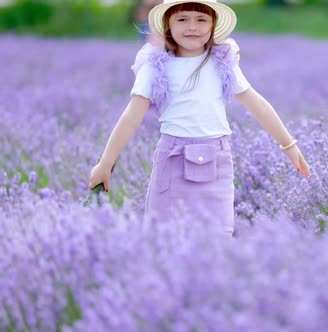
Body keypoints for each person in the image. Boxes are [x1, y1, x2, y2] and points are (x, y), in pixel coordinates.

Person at [89, 0, 310, 237]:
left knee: (217, 236)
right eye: (182, 19)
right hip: (172, 158)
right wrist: (106, 163)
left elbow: (257, 104)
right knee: (164, 234)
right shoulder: (156, 67)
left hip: (217, 158)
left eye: (201, 20)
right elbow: (131, 116)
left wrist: (289, 145)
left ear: (213, 25)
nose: (192, 26)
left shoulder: (222, 63)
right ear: (168, 26)